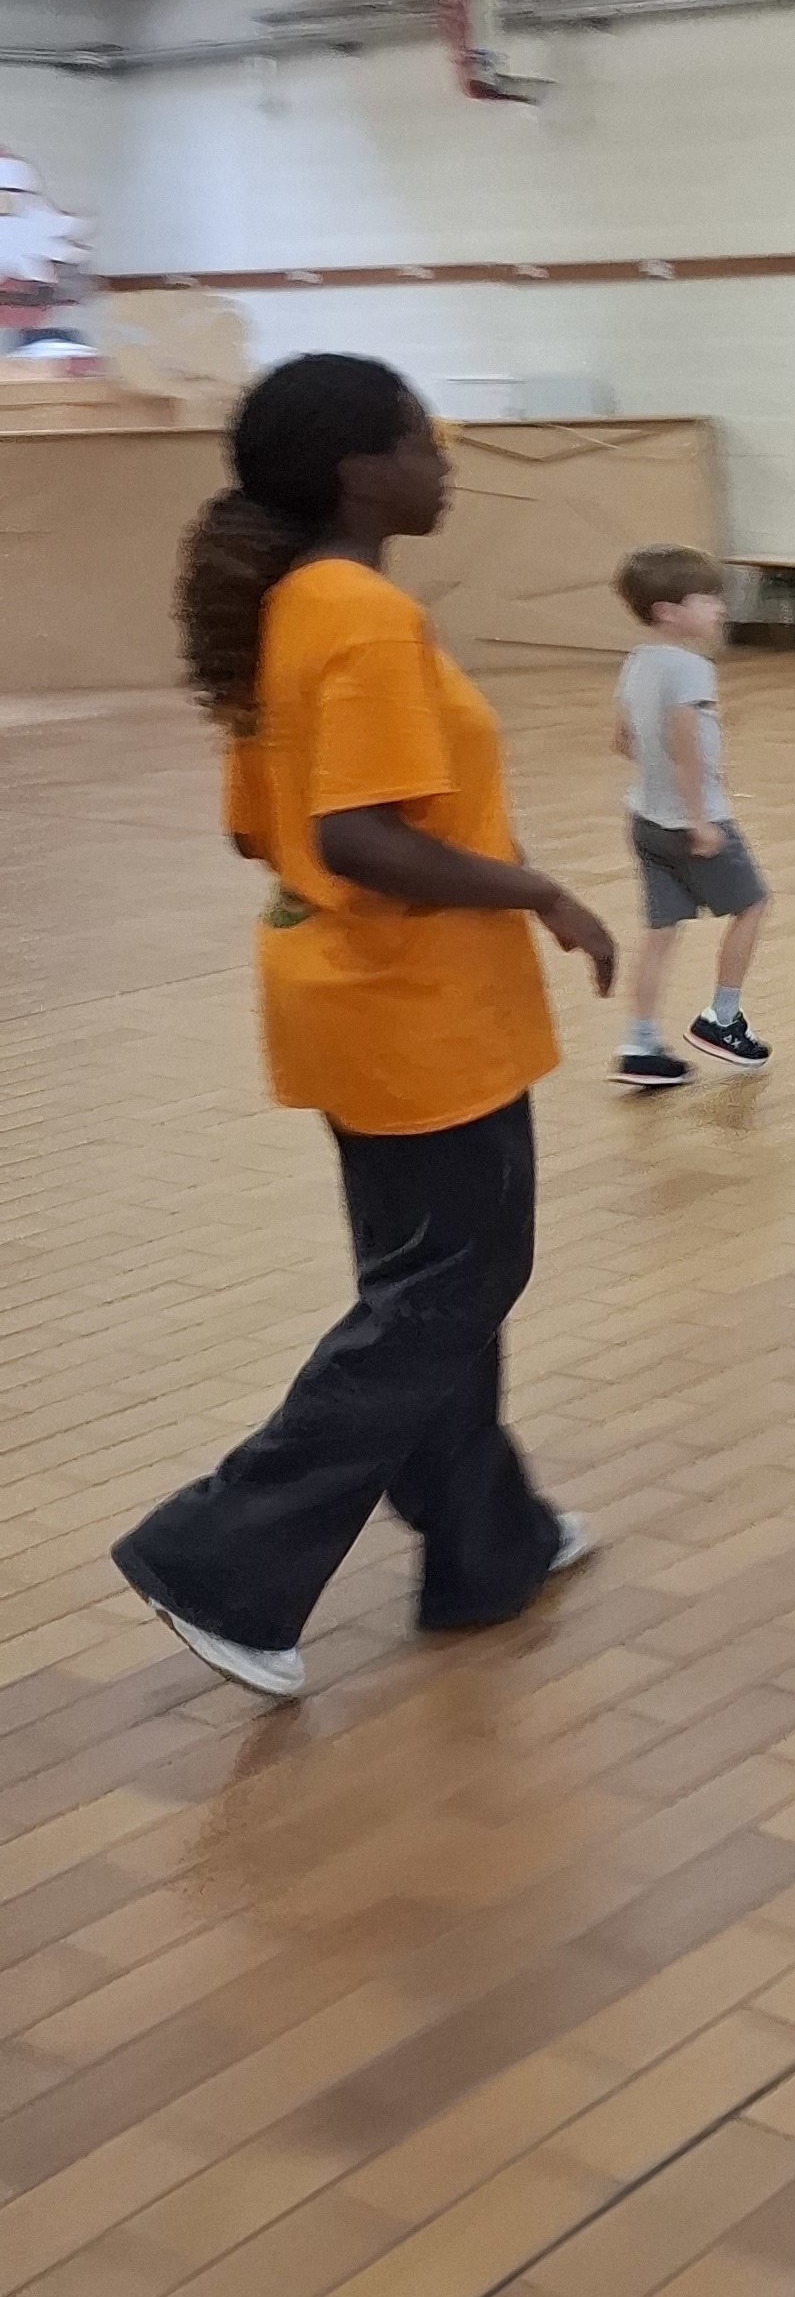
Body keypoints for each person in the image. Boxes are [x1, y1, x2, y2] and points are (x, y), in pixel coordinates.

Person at [113, 355, 614, 1703]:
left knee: (430, 1283)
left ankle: (487, 1547)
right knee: (449, 1285)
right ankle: (218, 1559)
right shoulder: (365, 616)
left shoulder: (286, 606)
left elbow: (257, 828)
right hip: (418, 1012)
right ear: (361, 474)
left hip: (341, 997)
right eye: (422, 444)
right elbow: (357, 836)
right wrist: (538, 890)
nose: (444, 466)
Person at [609, 544, 773, 1090]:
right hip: (693, 821)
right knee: (753, 905)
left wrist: (660, 779)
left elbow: (622, 740)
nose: (718, 608)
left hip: (645, 819)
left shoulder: (638, 662)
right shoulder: (690, 669)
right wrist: (700, 817)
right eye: (707, 599)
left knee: (660, 932)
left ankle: (639, 1043)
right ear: (668, 611)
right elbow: (686, 746)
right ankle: (722, 1018)